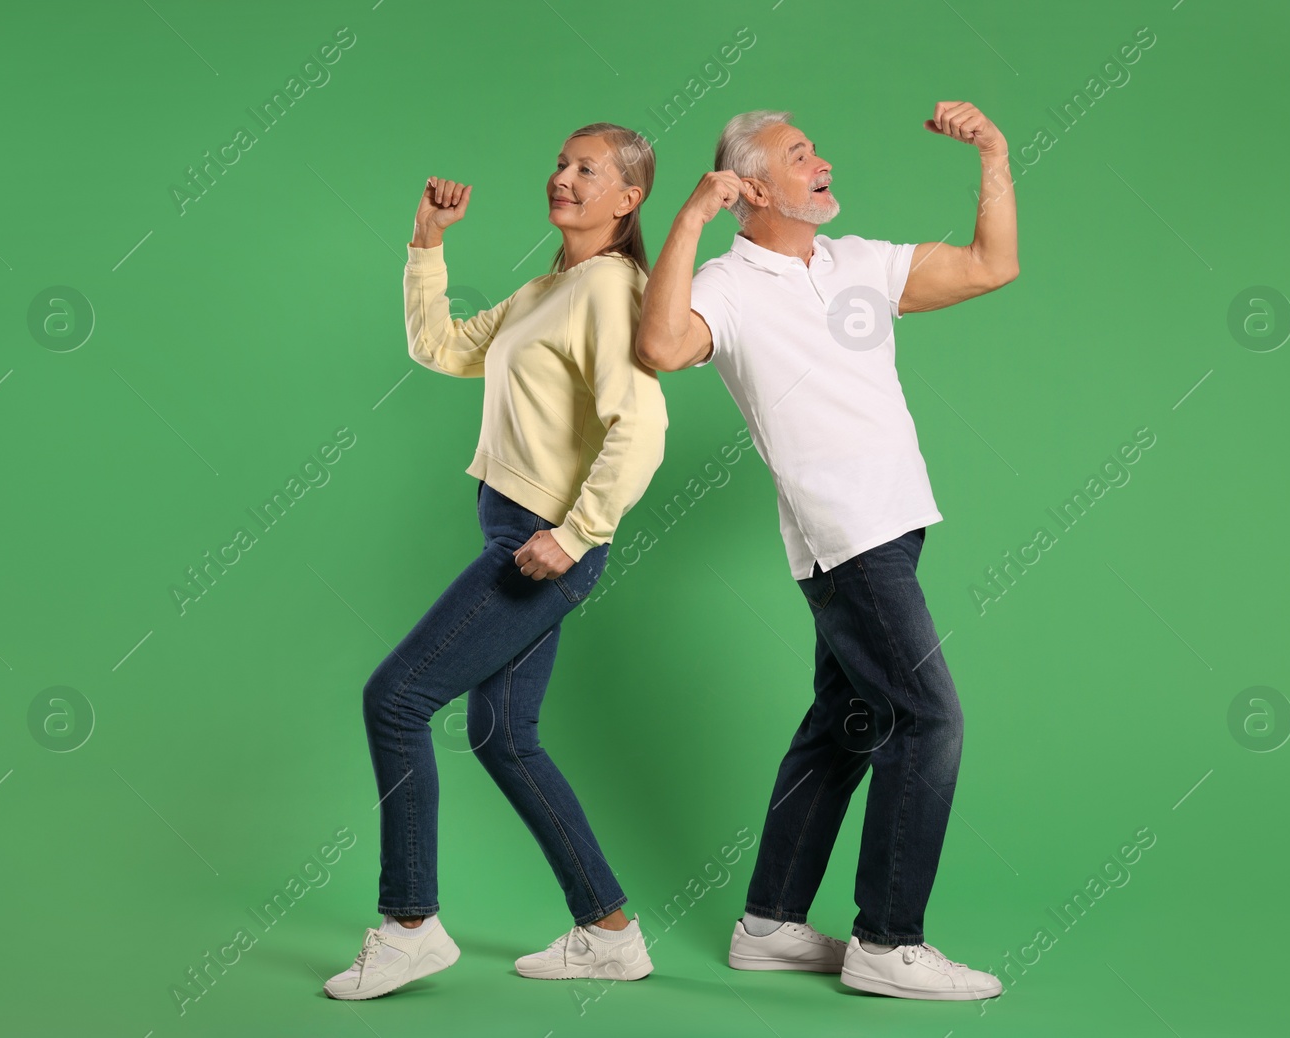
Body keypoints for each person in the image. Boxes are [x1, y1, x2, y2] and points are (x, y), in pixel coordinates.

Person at [634, 105, 1019, 1001]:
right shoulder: (726, 284)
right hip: (846, 535)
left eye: (817, 147)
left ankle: (768, 925)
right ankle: (888, 942)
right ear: (753, 189)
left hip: (898, 521)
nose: (825, 161)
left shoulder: (859, 263)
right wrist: (690, 218)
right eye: (803, 155)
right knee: (927, 722)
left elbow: (992, 264)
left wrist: (993, 154)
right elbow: (657, 346)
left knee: (847, 724)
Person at [326, 123, 667, 1001]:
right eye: (560, 162)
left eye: (586, 170)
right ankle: (609, 931)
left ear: (627, 199)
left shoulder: (611, 288)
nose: (562, 176)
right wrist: (427, 247)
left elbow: (644, 424)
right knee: (502, 736)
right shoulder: (550, 286)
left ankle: (411, 926)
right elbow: (439, 348)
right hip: (515, 530)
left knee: (395, 699)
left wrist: (580, 531)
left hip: (541, 543)